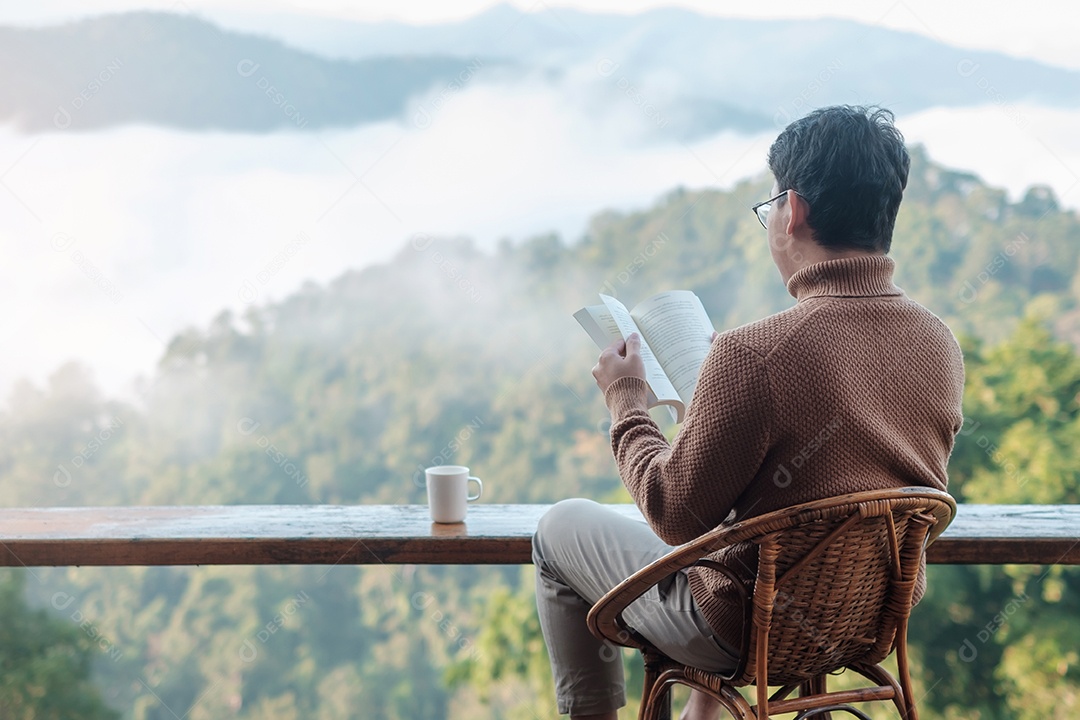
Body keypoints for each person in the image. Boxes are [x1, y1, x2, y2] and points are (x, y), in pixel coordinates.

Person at [532, 105, 966, 720]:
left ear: (794, 211)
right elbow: (843, 481)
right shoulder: (937, 341)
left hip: (744, 631)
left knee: (557, 528)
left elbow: (672, 512)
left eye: (770, 208)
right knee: (742, 543)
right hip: (868, 618)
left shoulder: (753, 354)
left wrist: (626, 401)